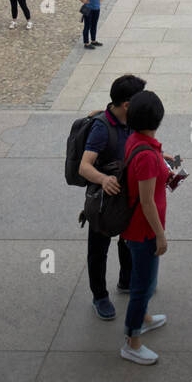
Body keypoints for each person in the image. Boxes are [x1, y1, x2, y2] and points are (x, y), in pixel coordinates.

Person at [78, 73, 147, 319]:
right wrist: (103, 179)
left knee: (128, 239)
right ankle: (100, 296)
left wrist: (159, 156)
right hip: (104, 201)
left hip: (127, 193)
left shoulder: (132, 119)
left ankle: (126, 280)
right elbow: (84, 166)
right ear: (126, 104)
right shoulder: (101, 128)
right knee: (98, 249)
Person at [121, 89, 171, 365]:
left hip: (141, 228)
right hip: (145, 230)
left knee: (147, 281)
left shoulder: (138, 141)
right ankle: (132, 340)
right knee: (142, 286)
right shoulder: (147, 155)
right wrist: (160, 236)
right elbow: (146, 202)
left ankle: (143, 318)